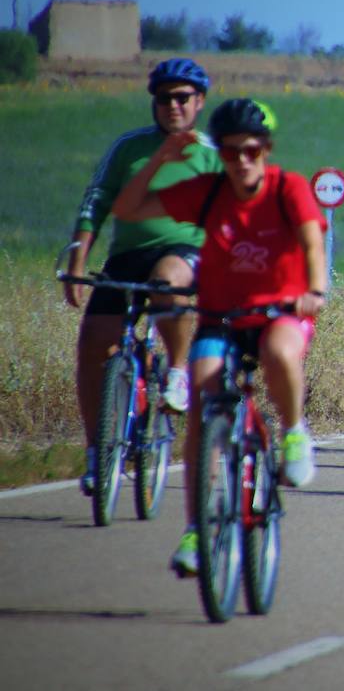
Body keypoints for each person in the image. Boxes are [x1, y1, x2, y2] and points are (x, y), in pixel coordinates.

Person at [111, 98, 327, 578]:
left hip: (279, 311)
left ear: (265, 149)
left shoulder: (286, 188)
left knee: (277, 352)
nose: (240, 160)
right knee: (205, 393)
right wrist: (164, 158)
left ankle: (293, 433)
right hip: (220, 317)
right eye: (229, 152)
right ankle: (197, 529)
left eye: (250, 150)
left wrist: (314, 289)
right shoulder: (208, 192)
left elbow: (312, 240)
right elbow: (126, 209)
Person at [65, 58, 221, 495]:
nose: (173, 105)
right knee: (95, 339)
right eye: (164, 97)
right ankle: (98, 451)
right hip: (127, 254)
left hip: (183, 251)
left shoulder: (211, 154)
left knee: (169, 281)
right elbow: (96, 200)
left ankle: (177, 371)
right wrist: (78, 257)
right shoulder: (129, 148)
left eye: (183, 98)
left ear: (199, 102)